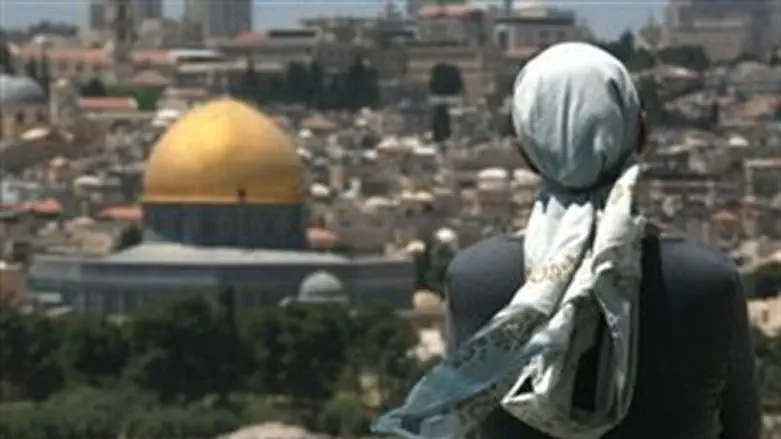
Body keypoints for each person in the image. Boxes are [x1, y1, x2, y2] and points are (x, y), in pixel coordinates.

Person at [373, 43, 761, 439]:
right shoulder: (708, 282)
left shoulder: (475, 280)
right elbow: (743, 429)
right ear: (641, 134)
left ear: (526, 152)